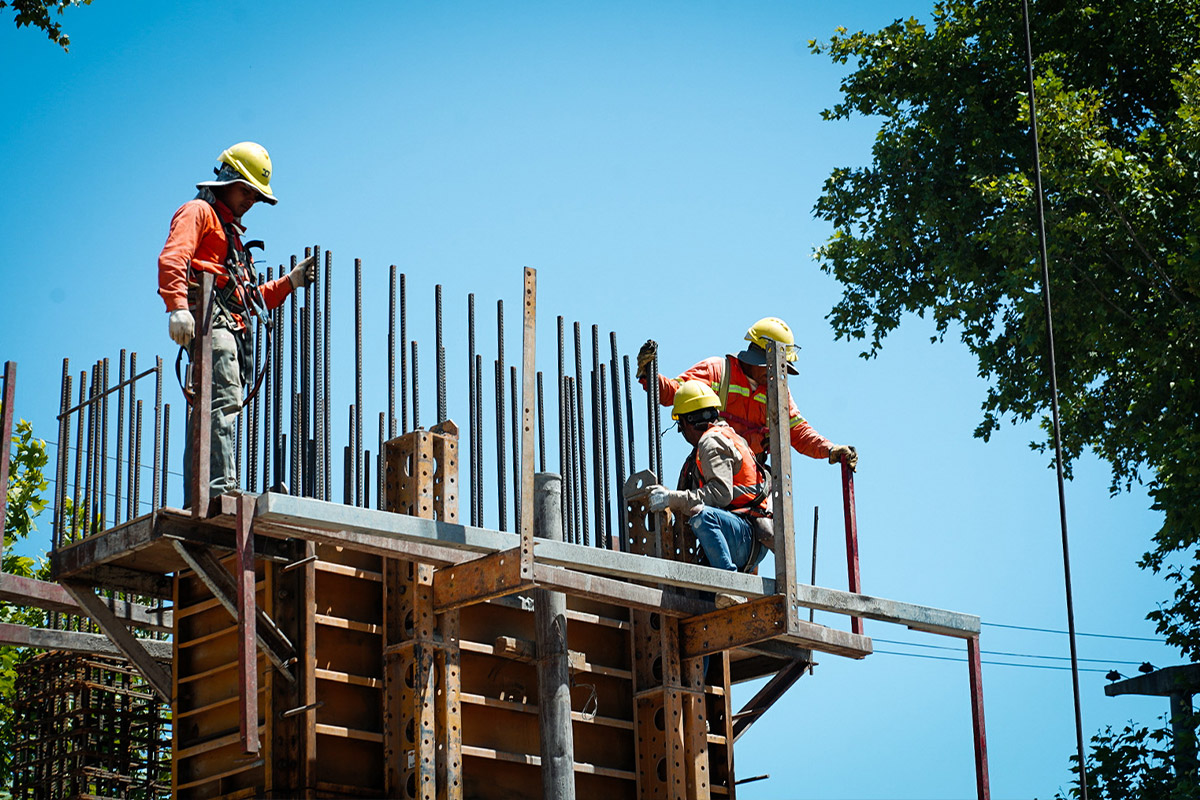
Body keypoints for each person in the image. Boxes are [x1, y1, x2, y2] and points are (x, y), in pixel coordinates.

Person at [157, 142, 312, 505]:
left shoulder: (232, 235)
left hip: (230, 324)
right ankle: (218, 492)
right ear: (227, 179)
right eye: (247, 190)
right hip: (211, 324)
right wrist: (177, 306)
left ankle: (206, 492)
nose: (251, 201)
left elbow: (248, 297)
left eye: (257, 196)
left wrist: (289, 282)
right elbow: (173, 257)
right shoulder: (198, 212)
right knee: (221, 403)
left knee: (217, 406)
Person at [638, 316, 857, 470]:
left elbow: (798, 431)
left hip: (753, 475)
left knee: (768, 532)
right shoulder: (718, 372)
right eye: (774, 366)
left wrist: (830, 449)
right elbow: (675, 394)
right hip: (713, 466)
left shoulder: (778, 392)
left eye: (783, 368)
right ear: (758, 357)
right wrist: (651, 374)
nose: (778, 374)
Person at [645, 381, 772, 607]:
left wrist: (670, 498)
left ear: (687, 422)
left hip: (743, 536)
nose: (682, 432)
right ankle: (720, 588)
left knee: (703, 516)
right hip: (747, 536)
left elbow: (719, 494)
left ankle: (729, 585)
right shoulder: (729, 436)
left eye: (680, 426)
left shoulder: (711, 442)